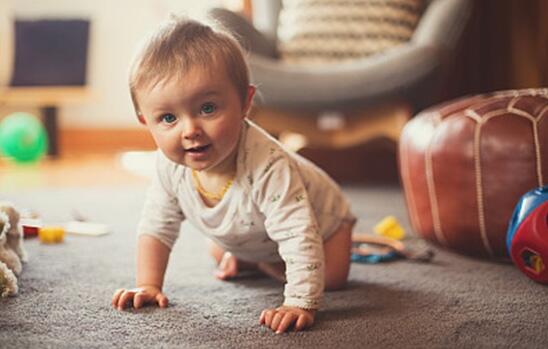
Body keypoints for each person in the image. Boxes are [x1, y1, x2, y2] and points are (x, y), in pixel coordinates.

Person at [111, 15, 356, 334]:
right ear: (146, 122)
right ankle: (259, 260)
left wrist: (299, 302)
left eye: (208, 108)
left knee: (332, 277)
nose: (191, 130)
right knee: (219, 246)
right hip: (253, 230)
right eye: (169, 117)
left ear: (245, 103)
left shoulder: (268, 164)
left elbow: (298, 232)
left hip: (323, 226)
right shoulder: (169, 165)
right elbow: (157, 226)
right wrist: (148, 284)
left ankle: (264, 263)